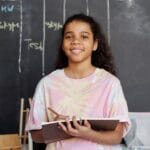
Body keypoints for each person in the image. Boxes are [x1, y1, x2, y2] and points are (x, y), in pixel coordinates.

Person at [26, 13, 131, 150]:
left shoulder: (110, 83)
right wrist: (61, 128)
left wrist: (88, 133)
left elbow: (117, 135)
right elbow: (35, 135)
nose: (75, 41)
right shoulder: (47, 84)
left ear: (95, 44)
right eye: (69, 36)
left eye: (84, 36)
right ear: (63, 44)